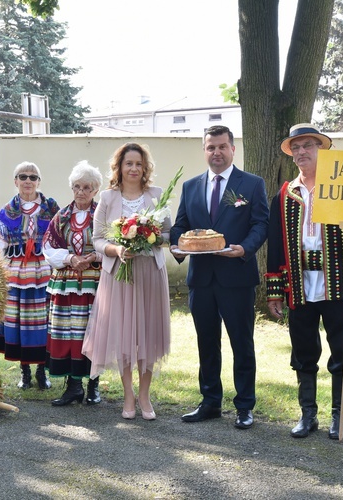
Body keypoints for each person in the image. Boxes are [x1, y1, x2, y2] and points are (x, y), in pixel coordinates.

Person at [265, 123, 343, 440]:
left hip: (338, 283)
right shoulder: (285, 196)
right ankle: (307, 414)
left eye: (308, 146)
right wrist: (275, 291)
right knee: (303, 352)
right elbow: (275, 246)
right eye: (296, 147)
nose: (301, 152)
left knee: (342, 352)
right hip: (300, 286)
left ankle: (339, 417)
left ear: (322, 150)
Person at [170, 125, 268, 429]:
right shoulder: (190, 186)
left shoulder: (251, 185)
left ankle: (244, 406)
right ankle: (210, 401)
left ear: (232, 149)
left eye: (222, 146)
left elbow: (261, 224)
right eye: (211, 147)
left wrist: (244, 249)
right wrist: (177, 247)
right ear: (204, 150)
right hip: (201, 279)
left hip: (236, 277)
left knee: (241, 342)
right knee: (206, 343)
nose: (217, 152)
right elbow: (180, 226)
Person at [82, 143, 171, 420]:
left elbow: (168, 233)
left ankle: (145, 395)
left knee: (147, 334)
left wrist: (150, 236)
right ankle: (128, 395)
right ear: (119, 167)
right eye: (128, 163)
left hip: (150, 274)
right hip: (120, 276)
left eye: (138, 164)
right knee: (123, 335)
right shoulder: (107, 198)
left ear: (145, 168)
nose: (133, 168)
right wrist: (117, 249)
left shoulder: (157, 195)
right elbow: (96, 238)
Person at [0, 161, 60, 390]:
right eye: (23, 177)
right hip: (16, 274)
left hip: (44, 272)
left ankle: (42, 371)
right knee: (20, 322)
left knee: (43, 322)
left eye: (33, 177)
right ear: (15, 181)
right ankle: (25, 371)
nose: (28, 181)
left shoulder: (51, 208)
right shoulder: (7, 211)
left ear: (39, 181)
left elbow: (61, 236)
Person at [43, 161, 103, 406]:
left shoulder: (102, 215)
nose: (81, 192)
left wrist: (94, 256)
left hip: (94, 285)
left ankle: (93, 386)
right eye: (77, 186)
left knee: (93, 333)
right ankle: (73, 386)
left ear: (96, 190)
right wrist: (69, 258)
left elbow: (111, 243)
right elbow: (47, 247)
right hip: (66, 285)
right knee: (68, 333)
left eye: (87, 187)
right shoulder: (61, 217)